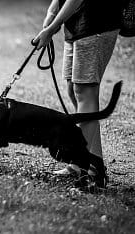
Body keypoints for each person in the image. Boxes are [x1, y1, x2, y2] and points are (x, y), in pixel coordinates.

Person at [33, 0, 123, 177]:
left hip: (97, 22)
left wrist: (51, 28)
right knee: (74, 90)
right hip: (77, 24)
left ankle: (83, 166)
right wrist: (52, 12)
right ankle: (93, 164)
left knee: (85, 92)